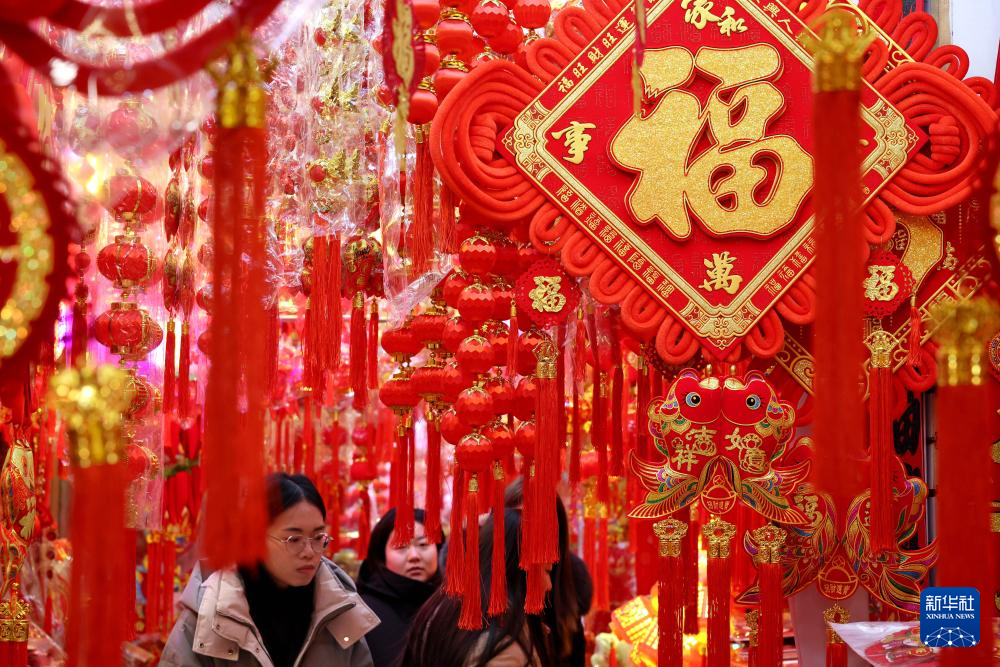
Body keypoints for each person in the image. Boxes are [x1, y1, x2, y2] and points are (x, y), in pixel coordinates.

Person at [160, 473, 379, 667]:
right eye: (294, 539)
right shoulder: (211, 611)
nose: (309, 552)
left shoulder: (339, 609)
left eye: (318, 537)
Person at [400, 509, 553, 666]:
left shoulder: (444, 609)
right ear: (519, 570)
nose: (549, 585)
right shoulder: (503, 648)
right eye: (547, 571)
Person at [504, 478, 593, 667]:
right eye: (521, 526)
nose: (531, 540)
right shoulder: (485, 605)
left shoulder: (568, 603)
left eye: (542, 529)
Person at [357, 509, 443, 667]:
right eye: (401, 546)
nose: (414, 556)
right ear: (381, 555)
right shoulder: (364, 611)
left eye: (423, 544)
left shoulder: (452, 603)